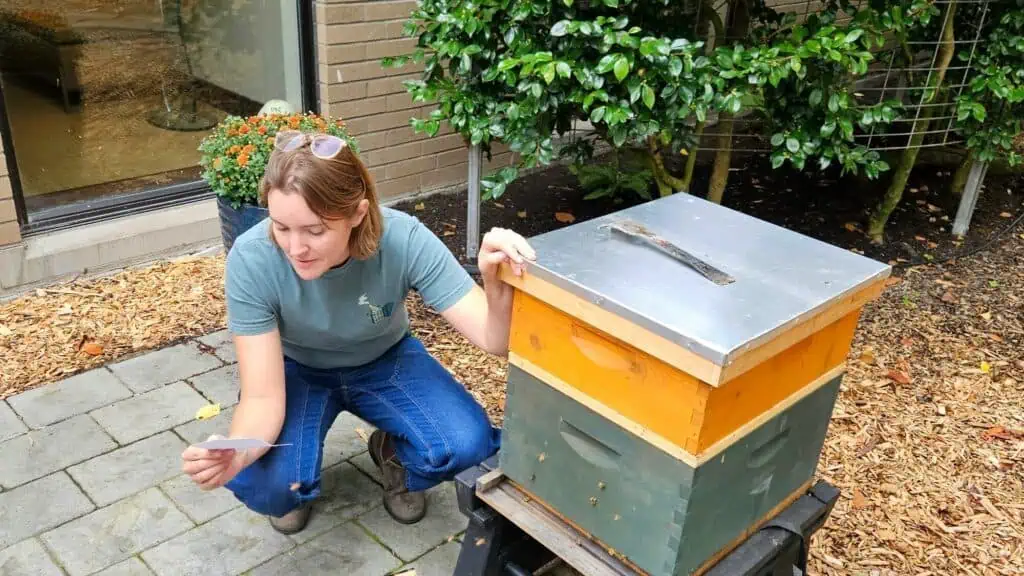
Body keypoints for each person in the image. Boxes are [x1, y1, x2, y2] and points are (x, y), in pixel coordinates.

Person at [180, 128, 536, 534]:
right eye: (281, 227)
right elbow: (262, 396)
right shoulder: (252, 259)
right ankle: (290, 487)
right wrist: (240, 454)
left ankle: (392, 454)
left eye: (314, 231)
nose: (295, 248)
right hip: (297, 369)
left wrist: (497, 281)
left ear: (357, 214)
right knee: (269, 485)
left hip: (385, 359)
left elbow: (494, 339)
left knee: (466, 445)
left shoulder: (403, 239)